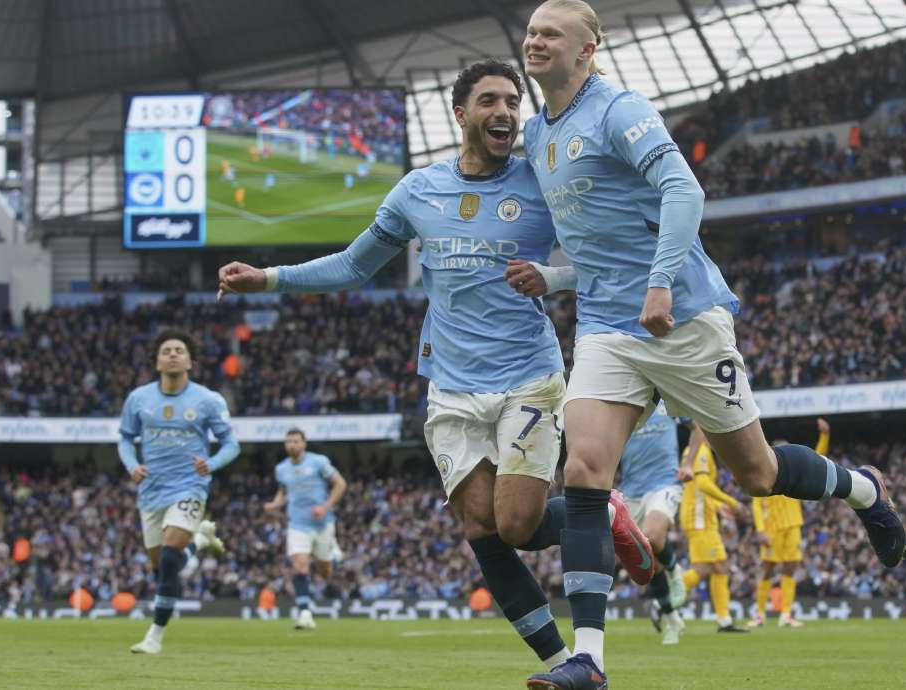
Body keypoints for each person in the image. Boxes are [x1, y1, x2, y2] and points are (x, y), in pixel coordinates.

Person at [216, 59, 652, 674]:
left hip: (528, 375)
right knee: (483, 528)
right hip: (449, 388)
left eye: (511, 101)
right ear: (460, 114)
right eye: (490, 101)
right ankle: (562, 665)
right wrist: (268, 278)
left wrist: (552, 277)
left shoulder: (541, 183)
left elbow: (602, 255)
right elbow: (355, 264)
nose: (504, 111)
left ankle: (602, 509)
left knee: (519, 522)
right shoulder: (418, 191)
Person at [515, 2, 905, 685]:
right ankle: (590, 661)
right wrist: (551, 276)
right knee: (582, 473)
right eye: (531, 31)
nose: (534, 40)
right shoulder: (535, 134)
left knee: (757, 476)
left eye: (551, 33)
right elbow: (599, 244)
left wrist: (661, 281)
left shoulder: (619, 110)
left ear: (587, 51)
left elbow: (682, 188)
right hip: (608, 324)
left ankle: (862, 488)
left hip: (683, 317)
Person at [120, 330, 239, 654]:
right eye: (167, 350)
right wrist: (132, 465)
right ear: (157, 361)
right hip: (151, 491)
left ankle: (154, 636)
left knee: (170, 559)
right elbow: (125, 439)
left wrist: (211, 464)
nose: (173, 354)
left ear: (190, 360)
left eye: (179, 350)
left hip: (190, 486)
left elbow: (231, 444)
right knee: (161, 568)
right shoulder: (138, 399)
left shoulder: (207, 399)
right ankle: (200, 540)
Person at [747, 418, 831, 630]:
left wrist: (825, 436)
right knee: (767, 569)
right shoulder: (766, 473)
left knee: (790, 568)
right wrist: (761, 530)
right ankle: (759, 615)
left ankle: (786, 615)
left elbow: (817, 459)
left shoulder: (796, 472)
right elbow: (757, 505)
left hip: (793, 525)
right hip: (772, 528)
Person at [263, 428, 347, 631]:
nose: (292, 444)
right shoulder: (281, 469)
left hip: (323, 524)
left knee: (324, 572)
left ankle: (333, 554)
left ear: (304, 444)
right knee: (300, 565)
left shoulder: (318, 462)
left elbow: (340, 484)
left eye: (295, 441)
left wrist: (325, 507)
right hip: (297, 524)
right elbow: (283, 492)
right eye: (288, 441)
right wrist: (275, 504)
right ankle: (305, 613)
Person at [617, 404, 687, 644]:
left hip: (665, 481)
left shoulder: (667, 399)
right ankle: (672, 620)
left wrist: (688, 461)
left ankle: (675, 570)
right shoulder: (623, 404)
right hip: (631, 490)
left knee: (653, 538)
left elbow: (700, 425)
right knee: (649, 561)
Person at [678, 423, 750, 634]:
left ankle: (724, 620)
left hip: (702, 517)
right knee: (705, 570)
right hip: (699, 520)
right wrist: (732, 502)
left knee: (719, 568)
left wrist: (719, 507)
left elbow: (698, 490)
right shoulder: (700, 450)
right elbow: (702, 485)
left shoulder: (695, 450)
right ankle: (664, 603)